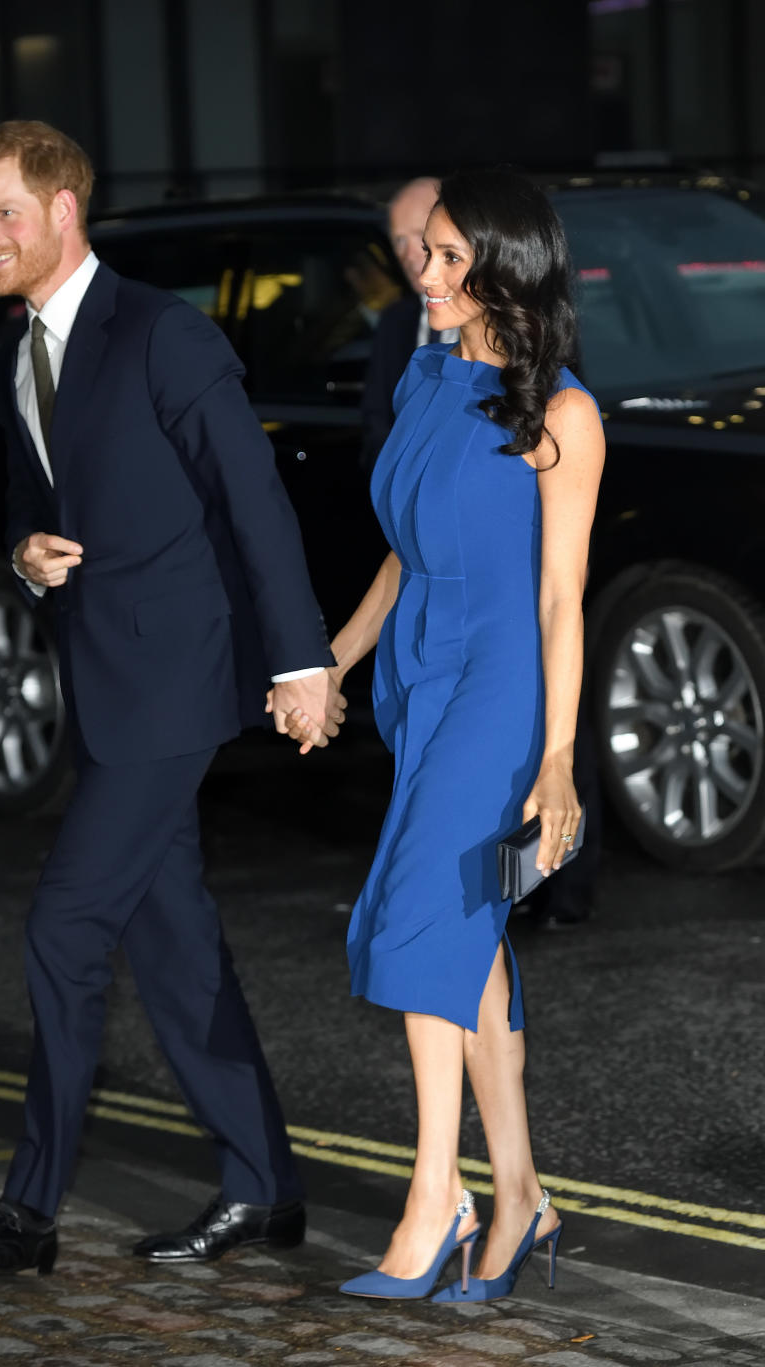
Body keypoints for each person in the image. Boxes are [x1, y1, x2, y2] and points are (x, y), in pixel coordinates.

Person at [0, 120, 344, 1277]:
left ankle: (30, 1209)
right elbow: (23, 493)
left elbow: (253, 501)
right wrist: (23, 553)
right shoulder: (20, 358)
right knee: (174, 944)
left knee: (62, 927)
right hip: (103, 684)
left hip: (177, 679)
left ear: (64, 211)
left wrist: (301, 662)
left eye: (5, 212)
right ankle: (264, 1186)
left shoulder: (163, 331)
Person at [287, 169, 605, 1303]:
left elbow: (564, 599)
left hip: (502, 689)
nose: (424, 272)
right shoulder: (425, 376)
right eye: (423, 250)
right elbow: (403, 547)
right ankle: (520, 1192)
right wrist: (334, 658)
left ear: (505, 269)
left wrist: (559, 757)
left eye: (449, 255)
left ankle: (438, 1195)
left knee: (424, 912)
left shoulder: (562, 413)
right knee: (469, 931)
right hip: (420, 678)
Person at [360, 177, 458, 473]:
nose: (407, 253)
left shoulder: (497, 321)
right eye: (398, 240)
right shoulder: (394, 321)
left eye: (418, 236)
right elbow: (375, 421)